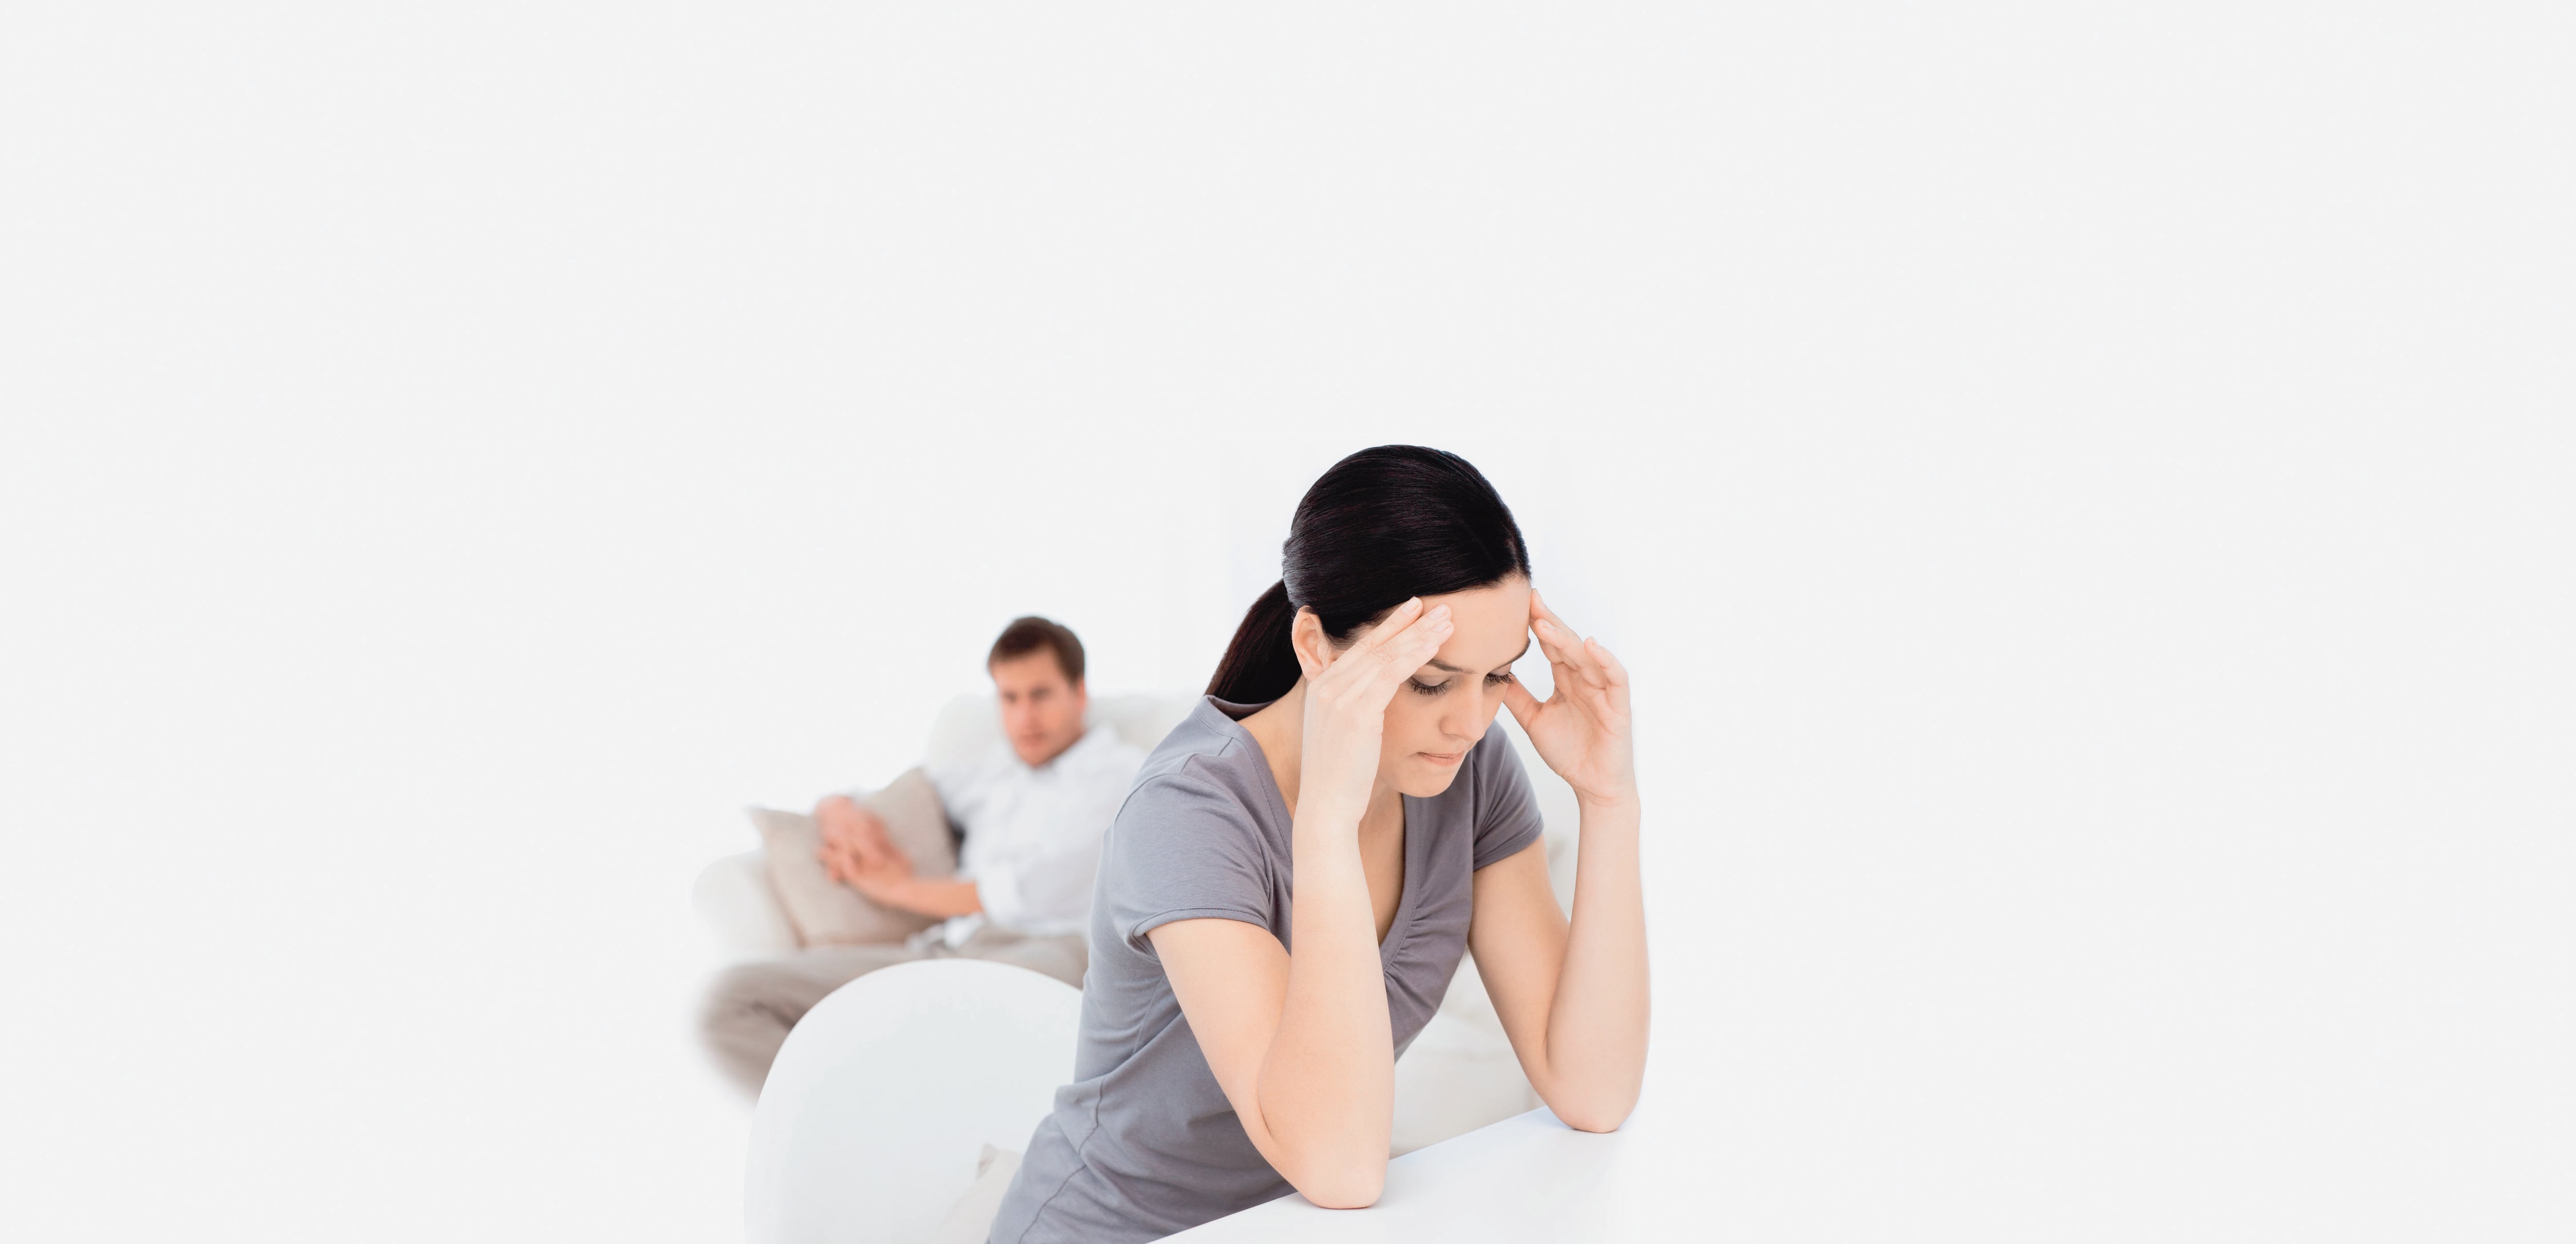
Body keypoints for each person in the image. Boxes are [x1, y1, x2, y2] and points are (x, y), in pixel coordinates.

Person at [987, 447, 1650, 1242]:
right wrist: (1329, 821)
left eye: (1498, 676)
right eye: (1431, 680)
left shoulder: (1468, 773)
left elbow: (1593, 1090)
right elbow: (1340, 1165)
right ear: (1316, 645)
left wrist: (1609, 798)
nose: (1471, 723)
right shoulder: (1188, 809)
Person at [700, 616, 1146, 1095]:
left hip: (1051, 949)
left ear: (1079, 693)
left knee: (954, 1014)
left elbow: (1029, 893)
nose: (1024, 718)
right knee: (730, 999)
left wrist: (895, 888)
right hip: (946, 949)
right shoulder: (992, 770)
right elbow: (893, 795)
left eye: (1040, 695)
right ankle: (858, 1114)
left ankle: (892, 1109)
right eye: (1010, 698)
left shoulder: (1120, 776)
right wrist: (838, 810)